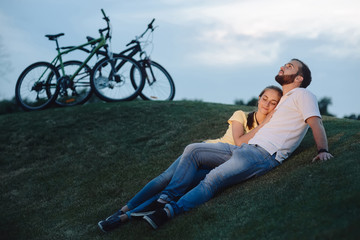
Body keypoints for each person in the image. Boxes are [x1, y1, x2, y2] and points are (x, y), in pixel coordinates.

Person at [138, 59, 333, 230]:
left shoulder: (303, 95)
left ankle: (168, 212)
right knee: (193, 150)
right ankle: (164, 199)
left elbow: (316, 122)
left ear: (299, 78)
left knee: (213, 179)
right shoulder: (284, 101)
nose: (283, 66)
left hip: (264, 154)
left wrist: (322, 150)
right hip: (243, 149)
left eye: (289, 66)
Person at [98, 85, 283, 232]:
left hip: (221, 163)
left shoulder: (268, 131)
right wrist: (265, 123)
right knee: (165, 179)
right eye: (265, 98)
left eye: (273, 103)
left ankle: (125, 218)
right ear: (259, 98)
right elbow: (239, 141)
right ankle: (121, 210)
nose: (266, 104)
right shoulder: (241, 115)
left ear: (277, 107)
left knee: (182, 187)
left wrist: (267, 125)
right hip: (204, 152)